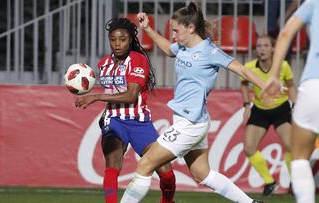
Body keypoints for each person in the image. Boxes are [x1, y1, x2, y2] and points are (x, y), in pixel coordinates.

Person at [120, 3, 265, 203]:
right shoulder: (182, 47)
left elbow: (242, 70)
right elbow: (169, 51)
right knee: (202, 174)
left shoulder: (210, 52)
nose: (173, 35)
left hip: (190, 123)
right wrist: (147, 29)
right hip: (191, 121)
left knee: (145, 164)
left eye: (175, 30)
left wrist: (267, 85)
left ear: (191, 28)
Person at [74, 17, 176, 203]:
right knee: (112, 164)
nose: (117, 44)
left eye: (122, 39)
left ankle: (168, 201)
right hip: (114, 121)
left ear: (131, 40)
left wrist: (95, 96)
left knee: (166, 172)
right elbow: (112, 91)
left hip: (139, 123)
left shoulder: (138, 60)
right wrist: (105, 111)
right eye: (113, 39)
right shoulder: (103, 63)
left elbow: (130, 96)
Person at [262, 0, 319, 202]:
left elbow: (286, 33)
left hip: (314, 86)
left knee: (299, 159)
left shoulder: (313, 3)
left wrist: (274, 74)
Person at [241, 34, 296, 196]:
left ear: (273, 49)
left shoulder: (283, 66)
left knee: (291, 146)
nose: (262, 49)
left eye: (265, 45)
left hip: (281, 109)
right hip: (259, 110)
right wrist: (246, 105)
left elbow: (291, 86)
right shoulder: (249, 66)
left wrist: (295, 106)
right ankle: (270, 182)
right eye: (258, 46)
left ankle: (296, 182)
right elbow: (243, 84)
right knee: (249, 148)